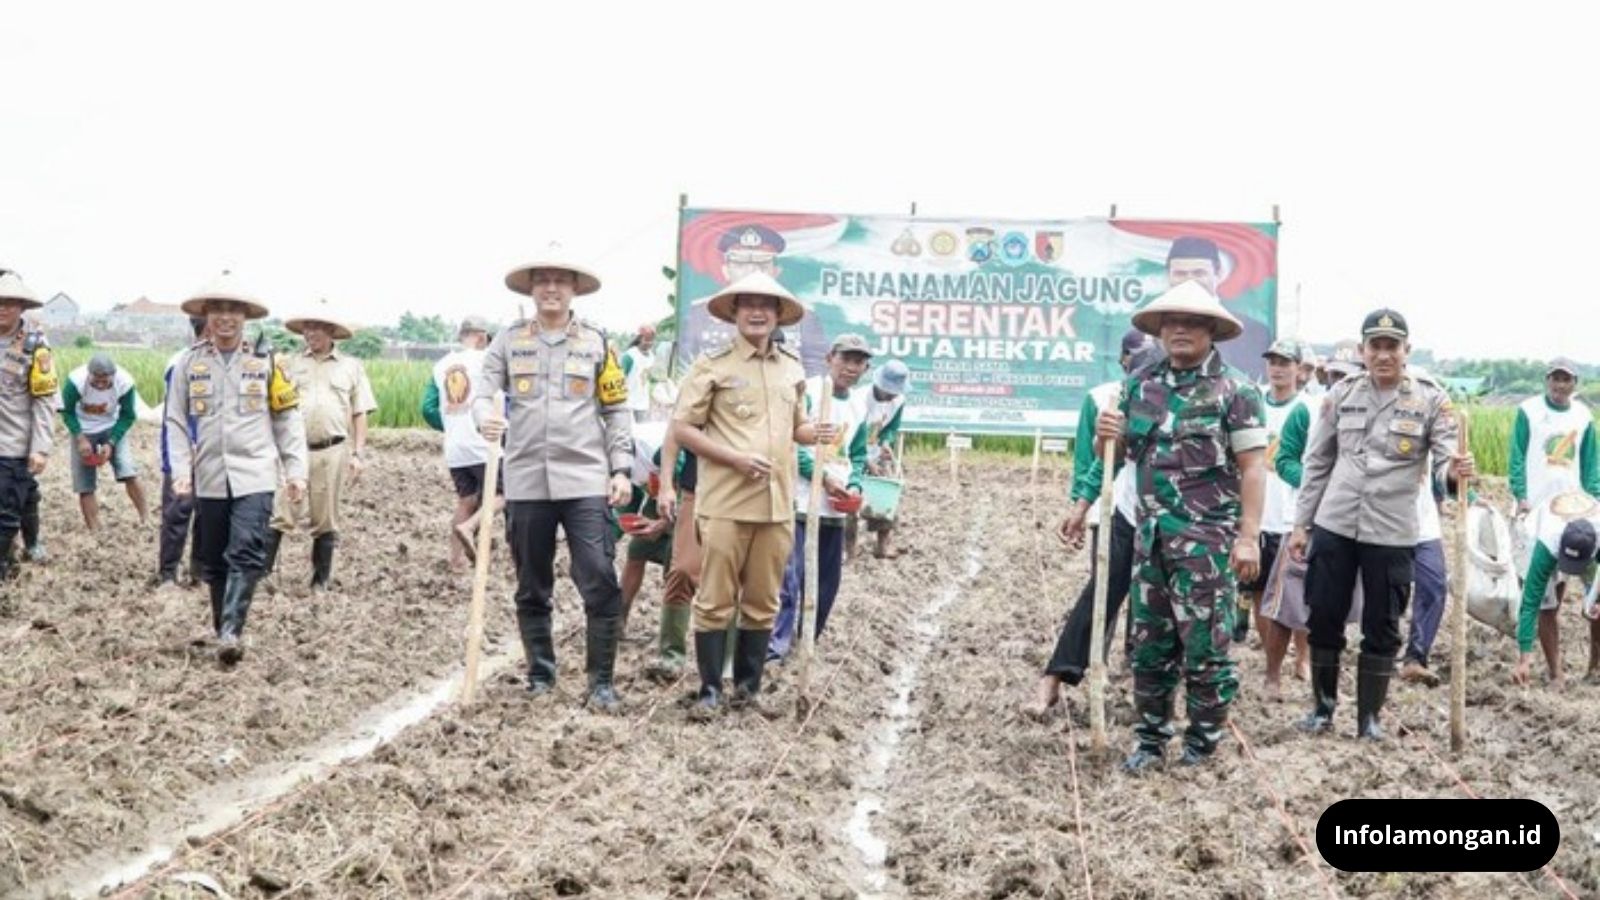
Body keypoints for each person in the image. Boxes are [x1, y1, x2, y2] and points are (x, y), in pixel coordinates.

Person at [1096, 280, 1267, 771]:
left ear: (1211, 330)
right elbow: (1117, 456)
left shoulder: (1236, 391)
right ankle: (1149, 742)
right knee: (1149, 647)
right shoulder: (1139, 385)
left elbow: (1254, 468)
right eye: (1171, 322)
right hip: (1149, 540)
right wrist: (1109, 436)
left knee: (1206, 649)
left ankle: (1202, 745)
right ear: (1160, 331)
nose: (1180, 330)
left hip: (1206, 544)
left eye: (1192, 323)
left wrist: (1248, 537)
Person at [1288, 309, 1472, 740]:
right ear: (1363, 350)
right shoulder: (1342, 393)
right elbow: (1318, 462)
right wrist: (1302, 524)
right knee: (1324, 614)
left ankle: (1369, 719)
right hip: (1336, 521)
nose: (1384, 355)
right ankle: (1322, 709)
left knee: (1383, 624)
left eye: (1393, 346)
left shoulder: (1431, 400)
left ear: (1407, 350)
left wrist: (1454, 472)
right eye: (1376, 346)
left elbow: (1444, 463)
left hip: (1391, 529)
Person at [473, 246, 634, 710]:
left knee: (599, 577)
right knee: (531, 584)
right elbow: (483, 393)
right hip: (526, 479)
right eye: (542, 280)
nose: (550, 288)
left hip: (585, 478)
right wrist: (485, 418)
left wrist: (621, 468)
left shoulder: (598, 344)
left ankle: (601, 683)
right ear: (531, 288)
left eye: (560, 280)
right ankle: (541, 677)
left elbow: (616, 409)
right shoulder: (508, 341)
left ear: (574, 289)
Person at [671, 271, 832, 713]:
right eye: (748, 304)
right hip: (725, 503)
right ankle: (709, 690)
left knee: (763, 600)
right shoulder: (712, 366)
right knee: (715, 599)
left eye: (766, 305)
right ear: (735, 312)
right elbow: (683, 429)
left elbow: (797, 426)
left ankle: (748, 689)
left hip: (777, 506)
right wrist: (734, 459)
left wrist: (814, 432)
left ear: (778, 315)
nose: (757, 312)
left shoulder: (791, 368)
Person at [165, 272, 308, 665]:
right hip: (210, 475)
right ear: (206, 315)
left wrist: (296, 470)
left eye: (233, 310)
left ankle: (231, 632)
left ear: (245, 316)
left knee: (245, 551)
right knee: (213, 559)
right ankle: (221, 629)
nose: (225, 317)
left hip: (255, 473)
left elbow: (287, 418)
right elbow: (175, 421)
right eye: (218, 310)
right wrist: (181, 470)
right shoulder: (189, 363)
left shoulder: (267, 362)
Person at [1028, 330, 1158, 716]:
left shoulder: (1200, 398)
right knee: (1101, 591)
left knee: (1159, 606)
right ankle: (1055, 676)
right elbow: (1107, 458)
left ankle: (1153, 690)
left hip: (1180, 524)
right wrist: (1081, 505)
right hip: (1129, 514)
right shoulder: (1123, 400)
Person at [767, 334, 872, 661]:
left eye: (858, 362)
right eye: (845, 359)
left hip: (835, 507)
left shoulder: (858, 405)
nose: (851, 367)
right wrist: (821, 477)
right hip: (800, 499)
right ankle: (777, 645)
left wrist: (854, 485)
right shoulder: (808, 392)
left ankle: (807, 640)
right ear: (830, 359)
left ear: (865, 368)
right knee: (790, 578)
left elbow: (857, 454)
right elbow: (791, 443)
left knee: (828, 584)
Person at [263, 303, 376, 593]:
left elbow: (359, 412)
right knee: (281, 510)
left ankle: (320, 581)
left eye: (316, 327)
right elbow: (274, 407)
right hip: (294, 451)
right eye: (307, 327)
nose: (310, 333)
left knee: (326, 517)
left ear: (330, 331)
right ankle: (262, 574)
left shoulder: (351, 367)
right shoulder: (289, 364)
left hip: (332, 450)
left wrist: (358, 453)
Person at [1238, 339, 1303, 646]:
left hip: (1291, 515)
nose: (1277, 369)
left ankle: (1302, 658)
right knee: (1259, 589)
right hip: (1259, 514)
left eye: (1285, 363)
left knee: (1298, 591)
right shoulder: (1253, 404)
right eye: (1273, 362)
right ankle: (1270, 653)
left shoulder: (1307, 408)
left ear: (1298, 368)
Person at [422, 316, 498, 573]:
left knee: (467, 500)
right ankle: (470, 527)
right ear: (481, 337)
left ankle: (456, 561)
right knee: (506, 493)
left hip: (455, 446)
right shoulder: (486, 359)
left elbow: (427, 408)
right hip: (483, 442)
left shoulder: (441, 365)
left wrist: (450, 425)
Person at [0, 272, 57, 585]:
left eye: (9, 303)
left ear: (21, 306)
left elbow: (44, 401)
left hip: (12, 443)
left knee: (6, 513)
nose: (3, 308)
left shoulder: (35, 346)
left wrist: (40, 447)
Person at [1511, 489, 1600, 688]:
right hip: (1537, 536)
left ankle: (1595, 667)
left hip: (1588, 542)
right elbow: (1530, 602)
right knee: (1547, 607)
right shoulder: (1546, 545)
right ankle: (1555, 673)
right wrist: (1524, 659)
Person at [62, 353, 149, 529]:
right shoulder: (75, 381)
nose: (101, 384)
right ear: (89, 374)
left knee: (128, 470)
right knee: (85, 484)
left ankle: (146, 519)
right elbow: (66, 411)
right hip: (83, 428)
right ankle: (95, 530)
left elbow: (128, 415)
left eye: (105, 380)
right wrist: (80, 438)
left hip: (112, 425)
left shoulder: (124, 382)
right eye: (96, 380)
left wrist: (112, 442)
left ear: (113, 375)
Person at [1510, 358, 1600, 516]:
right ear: (1547, 380)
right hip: (1534, 500)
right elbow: (1517, 455)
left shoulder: (1583, 416)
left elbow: (1590, 463)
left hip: (1571, 503)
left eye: (1566, 380)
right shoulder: (1529, 411)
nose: (1561, 385)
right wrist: (1521, 496)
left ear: (1575, 382)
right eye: (1556, 379)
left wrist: (1595, 497)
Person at [851, 358, 910, 560]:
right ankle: (850, 547)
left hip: (875, 452)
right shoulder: (859, 399)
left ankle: (883, 545)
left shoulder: (898, 401)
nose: (893, 395)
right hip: (853, 454)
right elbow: (851, 434)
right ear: (879, 384)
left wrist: (886, 442)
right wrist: (866, 461)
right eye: (889, 391)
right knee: (852, 497)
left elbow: (891, 427)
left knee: (887, 496)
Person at [621, 324, 657, 423]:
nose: (649, 343)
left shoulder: (651, 357)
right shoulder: (630, 355)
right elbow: (621, 377)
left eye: (651, 340)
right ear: (639, 339)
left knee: (642, 430)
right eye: (647, 340)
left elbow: (648, 377)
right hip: (629, 403)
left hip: (643, 404)